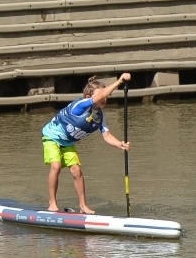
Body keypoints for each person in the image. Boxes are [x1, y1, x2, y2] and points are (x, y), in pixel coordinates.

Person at [41, 74, 132, 213]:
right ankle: (52, 203)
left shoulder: (100, 117)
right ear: (89, 96)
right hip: (51, 136)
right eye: (102, 95)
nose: (105, 98)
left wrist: (120, 144)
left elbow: (106, 135)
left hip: (68, 142)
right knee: (56, 166)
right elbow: (98, 96)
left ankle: (83, 206)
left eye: (106, 96)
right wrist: (119, 81)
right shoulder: (80, 105)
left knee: (77, 171)